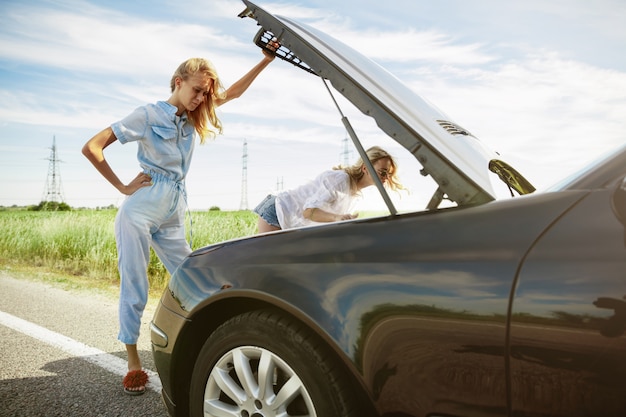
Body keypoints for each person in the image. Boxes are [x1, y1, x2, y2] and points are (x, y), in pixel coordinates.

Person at [82, 47, 277, 395]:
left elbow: (233, 92)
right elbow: (93, 146)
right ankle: (133, 363)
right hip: (140, 209)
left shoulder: (192, 117)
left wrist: (266, 60)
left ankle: (217, 349)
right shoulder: (146, 114)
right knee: (135, 285)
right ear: (178, 82)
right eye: (197, 90)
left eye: (206, 92)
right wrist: (123, 187)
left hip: (174, 207)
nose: (202, 98)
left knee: (195, 277)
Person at [254, 146, 403, 233]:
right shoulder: (340, 180)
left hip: (292, 220)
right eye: (382, 172)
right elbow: (309, 212)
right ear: (365, 168)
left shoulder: (355, 195)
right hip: (278, 210)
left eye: (389, 174)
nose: (386, 177)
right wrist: (338, 218)